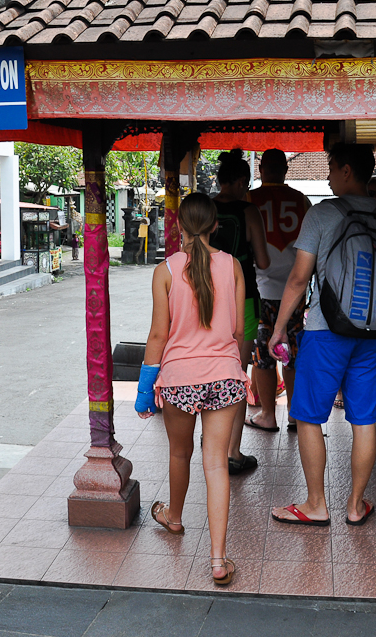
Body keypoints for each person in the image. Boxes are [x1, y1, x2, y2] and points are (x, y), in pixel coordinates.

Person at [268, 143, 376, 526]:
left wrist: (278, 329)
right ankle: (355, 505)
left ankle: (316, 504)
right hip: (373, 334)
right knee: (363, 418)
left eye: (332, 168)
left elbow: (299, 277)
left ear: (348, 171)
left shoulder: (322, 214)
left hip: (326, 330)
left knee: (308, 416)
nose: (327, 176)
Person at [135, 192, 247, 586]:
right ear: (216, 225)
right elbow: (236, 330)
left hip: (179, 377)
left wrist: (145, 387)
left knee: (179, 453)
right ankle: (218, 560)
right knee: (215, 463)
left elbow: (157, 335)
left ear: (178, 226)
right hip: (225, 374)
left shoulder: (165, 270)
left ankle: (175, 518)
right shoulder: (232, 266)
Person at [210, 149, 270, 474]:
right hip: (241, 301)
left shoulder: (203, 208)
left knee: (212, 370)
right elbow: (263, 261)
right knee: (237, 373)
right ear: (241, 181)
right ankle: (232, 451)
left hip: (205, 302)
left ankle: (212, 445)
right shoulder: (249, 211)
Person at [245, 148, 311, 432]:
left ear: (260, 170)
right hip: (295, 291)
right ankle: (295, 414)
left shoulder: (248, 200)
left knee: (263, 356)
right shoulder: (302, 201)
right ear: (285, 170)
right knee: (292, 353)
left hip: (260, 289)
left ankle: (268, 414)